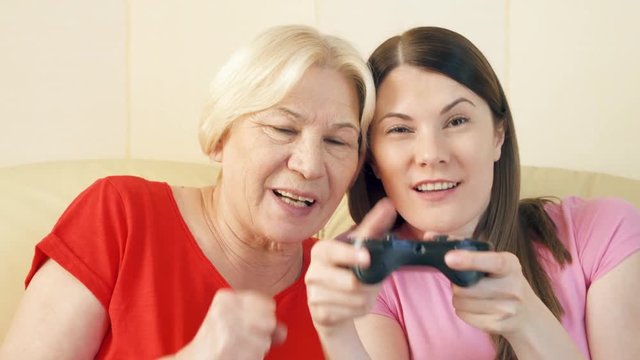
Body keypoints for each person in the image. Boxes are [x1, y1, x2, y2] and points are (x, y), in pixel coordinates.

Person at [0, 25, 375, 359]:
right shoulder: (120, 215)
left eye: (337, 141)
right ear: (219, 138)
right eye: (282, 129)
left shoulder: (342, 289)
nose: (309, 165)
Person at [305, 26, 640, 360]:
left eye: (456, 121)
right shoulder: (360, 271)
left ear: (498, 135)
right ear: (374, 159)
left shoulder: (606, 230)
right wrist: (339, 338)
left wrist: (528, 323)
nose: (431, 154)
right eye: (400, 129)